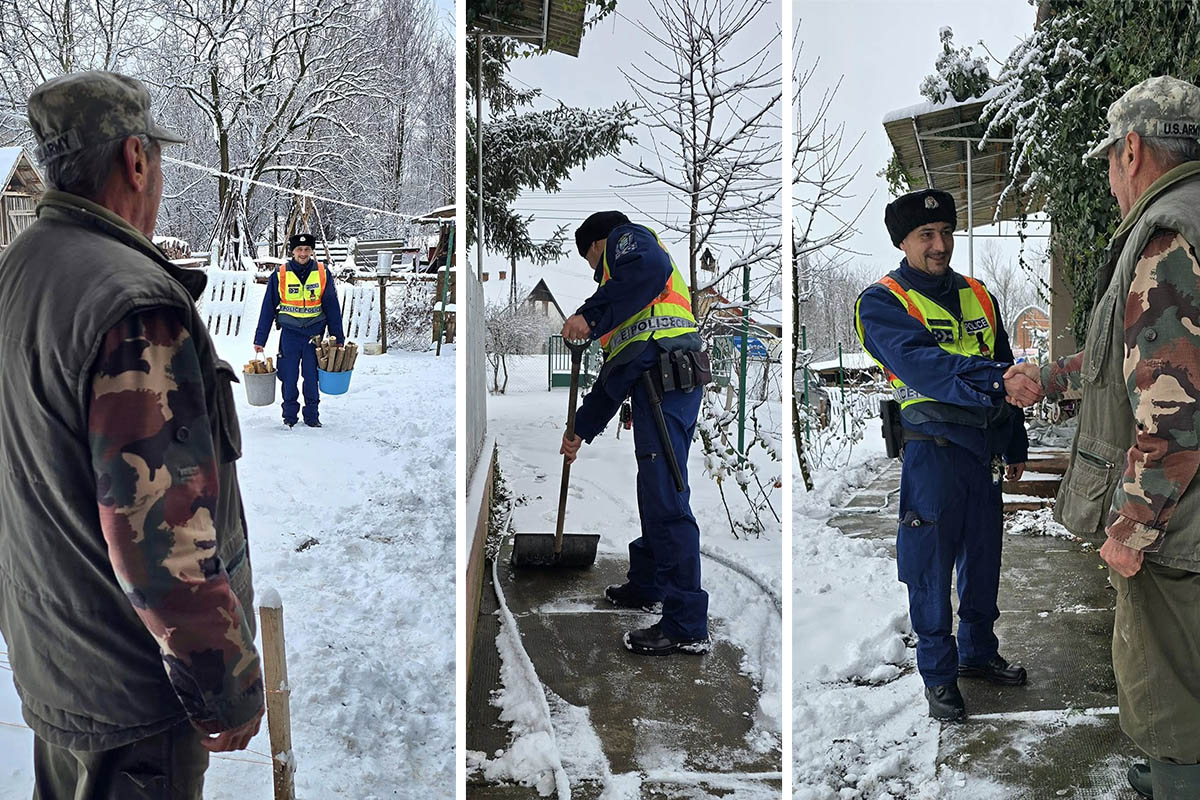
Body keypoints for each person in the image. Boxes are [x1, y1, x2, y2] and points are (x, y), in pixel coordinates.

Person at [0, 71, 263, 798]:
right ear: (136, 160)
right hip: (132, 697)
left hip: (57, 662)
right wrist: (226, 685)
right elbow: (161, 537)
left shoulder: (21, 270)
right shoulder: (131, 300)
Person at [1005, 76, 1200, 799]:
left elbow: (1174, 409)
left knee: (1177, 701)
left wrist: (1131, 526)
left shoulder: (1168, 236)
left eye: (1111, 165)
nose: (1112, 184)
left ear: (1133, 148)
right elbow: (1145, 351)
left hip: (1182, 532)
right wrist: (1054, 377)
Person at [854, 188, 1033, 721]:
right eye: (926, 236)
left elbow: (1004, 365)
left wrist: (1014, 441)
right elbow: (926, 365)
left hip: (982, 453)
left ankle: (978, 654)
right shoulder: (880, 303)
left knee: (983, 560)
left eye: (946, 233)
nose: (940, 245)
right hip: (931, 454)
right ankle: (938, 674)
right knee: (929, 567)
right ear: (903, 242)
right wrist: (997, 381)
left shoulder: (981, 294)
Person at [560, 211, 712, 656]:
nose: (596, 274)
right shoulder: (628, 303)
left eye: (591, 261)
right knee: (654, 492)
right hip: (651, 382)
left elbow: (644, 270)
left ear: (596, 243)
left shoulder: (630, 241)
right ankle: (649, 584)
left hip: (668, 381)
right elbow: (615, 373)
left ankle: (685, 622)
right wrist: (580, 430)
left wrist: (590, 314)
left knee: (666, 498)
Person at [253, 232, 345, 428]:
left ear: (312, 251)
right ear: (292, 251)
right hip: (290, 335)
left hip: (315, 336)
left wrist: (337, 336)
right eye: (299, 250)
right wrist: (260, 339)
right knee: (289, 376)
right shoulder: (281, 274)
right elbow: (268, 308)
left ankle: (312, 416)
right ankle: (290, 416)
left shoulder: (322, 272)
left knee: (312, 377)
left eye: (307, 249)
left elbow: (331, 306)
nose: (303, 253)